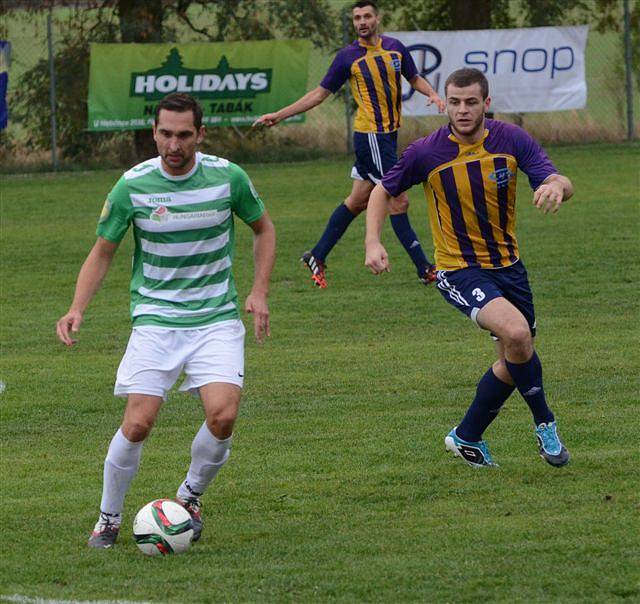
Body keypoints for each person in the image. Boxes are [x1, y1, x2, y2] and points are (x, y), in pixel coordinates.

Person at [56, 93, 276, 548]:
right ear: (154, 132)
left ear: (200, 134)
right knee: (138, 423)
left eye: (183, 135)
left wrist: (258, 292)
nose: (174, 144)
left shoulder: (227, 177)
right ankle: (109, 516)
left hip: (215, 316)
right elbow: (103, 251)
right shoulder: (132, 185)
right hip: (155, 319)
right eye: (165, 134)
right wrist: (77, 307)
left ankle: (190, 495)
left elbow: (263, 229)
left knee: (224, 415)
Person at [364, 68, 573, 468]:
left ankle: (466, 436)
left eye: (471, 102)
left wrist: (555, 188)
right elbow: (381, 191)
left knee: (517, 355)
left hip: (510, 267)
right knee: (516, 333)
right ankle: (546, 424)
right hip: (458, 269)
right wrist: (373, 242)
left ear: (485, 104)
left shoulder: (510, 139)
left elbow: (557, 177)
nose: (461, 110)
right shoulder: (426, 152)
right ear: (446, 102)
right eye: (454, 102)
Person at [253, 0, 444, 288]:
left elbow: (413, 77)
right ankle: (425, 268)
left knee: (356, 202)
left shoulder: (395, 47)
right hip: (371, 137)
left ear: (377, 18)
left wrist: (435, 95)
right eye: (357, 18)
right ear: (354, 23)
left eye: (367, 16)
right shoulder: (348, 57)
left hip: (387, 136)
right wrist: (279, 116)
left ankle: (317, 255)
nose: (362, 21)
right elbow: (318, 95)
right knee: (399, 199)